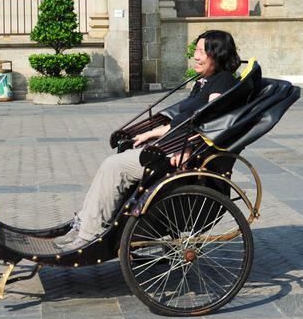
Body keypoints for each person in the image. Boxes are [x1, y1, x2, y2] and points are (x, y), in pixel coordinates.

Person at [54, 30, 241, 251]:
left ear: (217, 54)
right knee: (116, 162)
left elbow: (212, 122)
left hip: (179, 155)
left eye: (202, 51)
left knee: (114, 167)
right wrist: (150, 134)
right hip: (171, 146)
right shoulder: (205, 81)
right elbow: (184, 121)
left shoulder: (222, 81)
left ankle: (88, 234)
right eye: (196, 50)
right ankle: (85, 223)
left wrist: (189, 147)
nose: (196, 56)